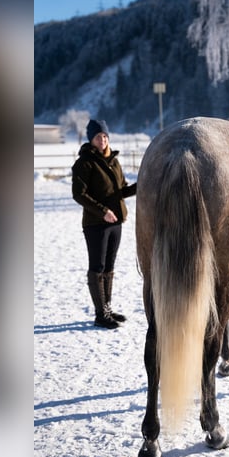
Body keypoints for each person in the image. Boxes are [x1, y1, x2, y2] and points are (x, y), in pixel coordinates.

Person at [72, 119, 136, 328]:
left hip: (115, 222)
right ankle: (100, 315)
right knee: (97, 266)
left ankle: (107, 309)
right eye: (99, 136)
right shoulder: (85, 162)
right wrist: (102, 211)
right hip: (95, 224)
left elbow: (121, 190)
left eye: (105, 136)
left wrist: (141, 183)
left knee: (109, 266)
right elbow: (78, 194)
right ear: (91, 139)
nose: (103, 140)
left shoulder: (114, 161)